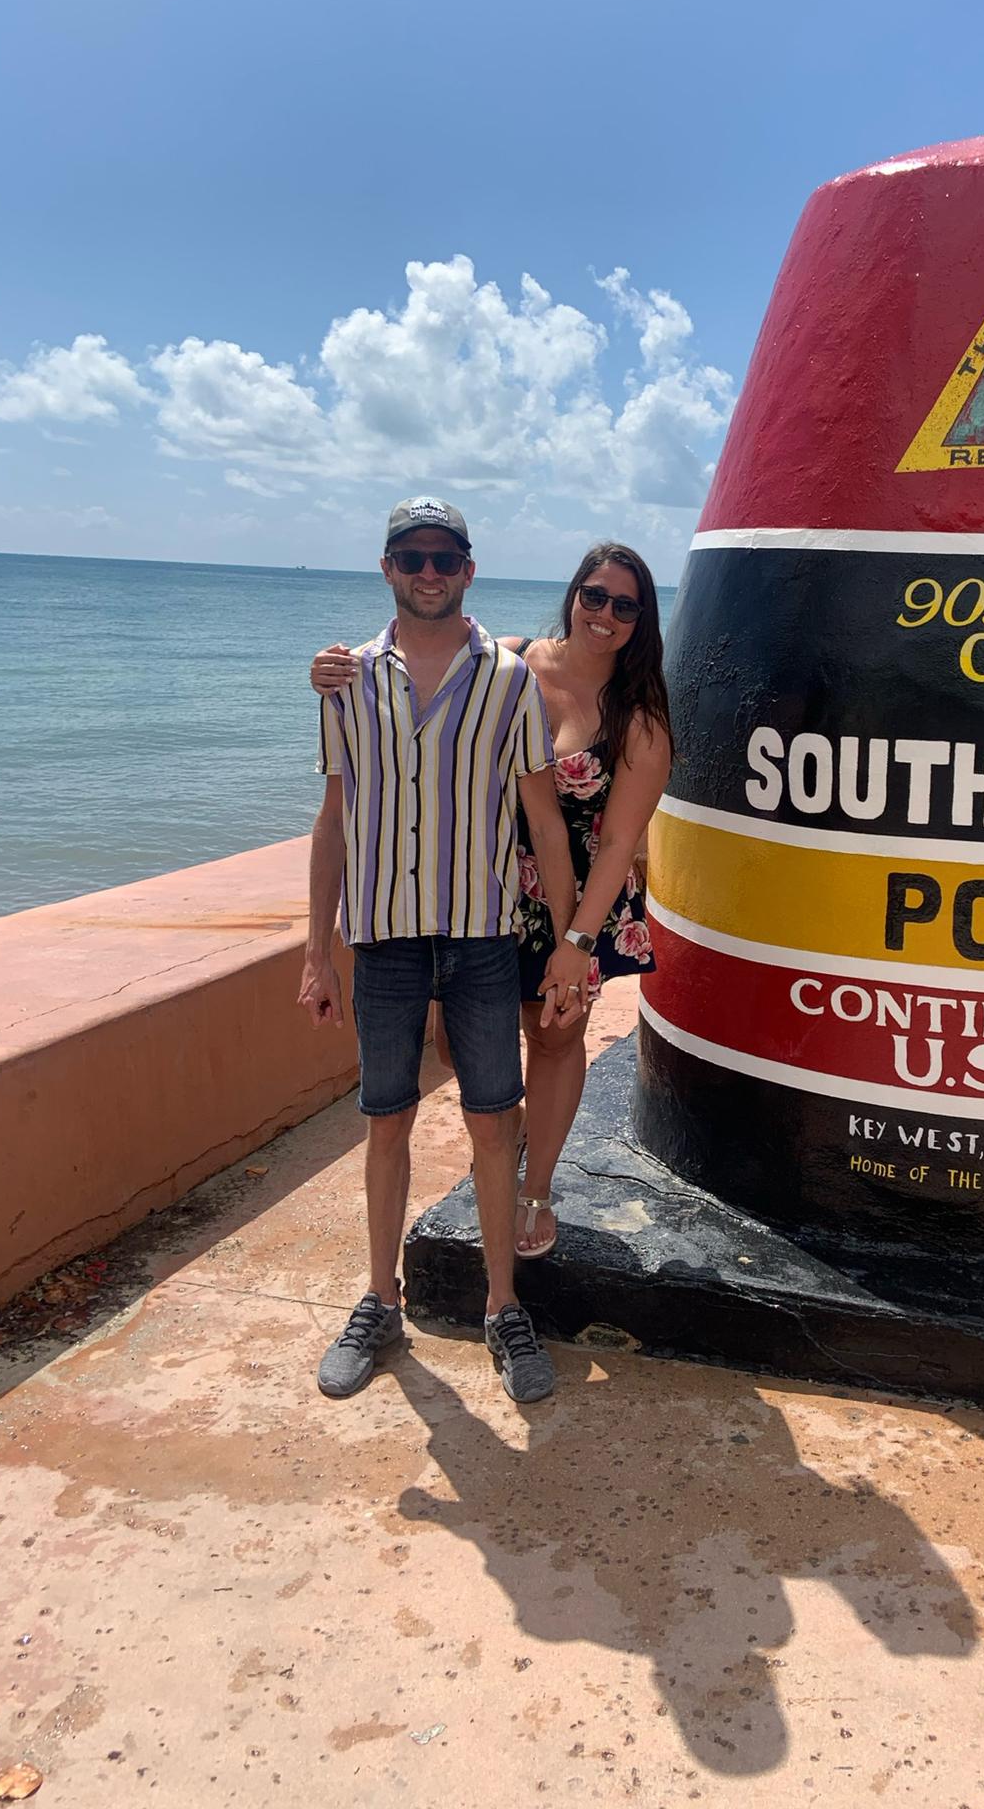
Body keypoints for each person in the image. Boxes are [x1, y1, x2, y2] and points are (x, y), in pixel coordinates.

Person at [299, 495, 587, 1406]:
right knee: (384, 1122)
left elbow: (542, 814)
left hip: (481, 936)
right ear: (388, 566)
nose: (428, 571)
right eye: (411, 556)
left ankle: (505, 1307)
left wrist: (570, 946)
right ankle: (380, 1300)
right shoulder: (347, 678)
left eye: (444, 557)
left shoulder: (506, 679)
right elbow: (336, 819)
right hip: (382, 938)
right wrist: (317, 952)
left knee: (493, 1123)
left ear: (469, 569)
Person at [311, 540, 672, 1261]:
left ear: (641, 620)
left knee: (554, 1034)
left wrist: (575, 944)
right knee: (458, 1044)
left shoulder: (639, 719)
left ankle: (534, 1185)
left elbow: (615, 844)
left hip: (575, 900)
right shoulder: (513, 663)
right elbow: (426, 665)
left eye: (624, 605)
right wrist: (336, 667)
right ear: (573, 594)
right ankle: (508, 1146)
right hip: (484, 884)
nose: (605, 614)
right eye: (594, 596)